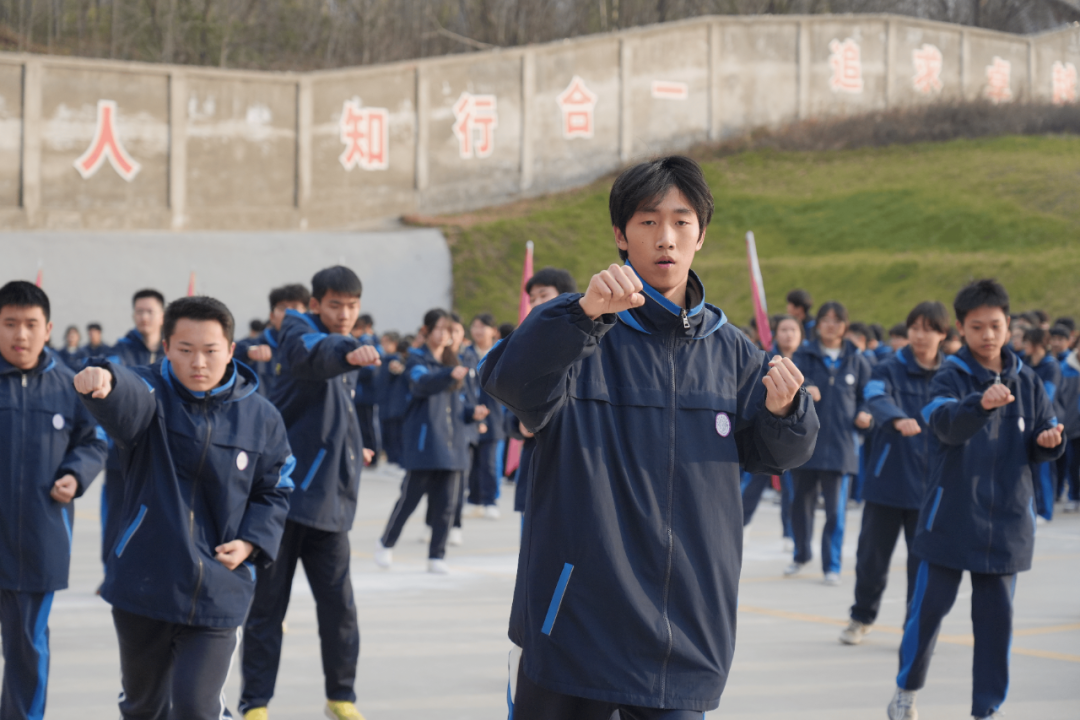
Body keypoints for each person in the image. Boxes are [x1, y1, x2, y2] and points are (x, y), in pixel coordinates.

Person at [482, 156, 818, 718]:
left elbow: (776, 455)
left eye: (682, 222)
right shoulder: (584, 328)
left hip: (682, 631)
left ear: (701, 235)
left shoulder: (732, 351)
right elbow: (510, 381)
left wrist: (787, 410)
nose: (666, 238)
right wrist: (580, 314)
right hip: (574, 625)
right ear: (620, 234)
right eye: (648, 222)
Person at [75, 296, 294, 720]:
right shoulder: (152, 393)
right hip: (145, 582)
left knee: (195, 707)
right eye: (185, 350)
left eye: (211, 350)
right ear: (168, 348)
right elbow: (127, 394)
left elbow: (277, 486)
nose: (198, 362)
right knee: (143, 707)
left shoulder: (260, 417)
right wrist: (104, 382)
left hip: (218, 587)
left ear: (230, 350)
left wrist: (251, 541)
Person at [888, 280, 1065, 720]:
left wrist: (1049, 441)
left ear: (1010, 325)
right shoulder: (949, 376)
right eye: (977, 327)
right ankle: (906, 690)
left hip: (1006, 523)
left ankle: (987, 708)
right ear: (961, 331)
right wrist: (979, 406)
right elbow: (943, 424)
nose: (988, 335)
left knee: (995, 625)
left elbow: (1047, 432)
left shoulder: (1029, 382)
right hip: (949, 518)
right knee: (926, 614)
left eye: (996, 325)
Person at [240, 267, 380, 720]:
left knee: (339, 611)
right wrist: (350, 349)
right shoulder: (299, 329)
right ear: (315, 304)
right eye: (335, 305)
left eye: (352, 306)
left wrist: (355, 448)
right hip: (282, 502)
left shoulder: (348, 353)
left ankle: (341, 696)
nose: (344, 314)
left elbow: (332, 409)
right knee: (267, 609)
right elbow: (314, 354)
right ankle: (255, 702)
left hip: (330, 505)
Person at [0, 281, 107, 720]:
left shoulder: (69, 385)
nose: (19, 335)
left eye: (29, 325)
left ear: (48, 329)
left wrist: (74, 474)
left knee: (27, 647)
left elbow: (95, 440)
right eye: (9, 324)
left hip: (37, 538)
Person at [839, 301, 948, 646]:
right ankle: (861, 617)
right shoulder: (887, 368)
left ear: (943, 334)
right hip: (887, 482)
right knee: (872, 559)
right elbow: (874, 396)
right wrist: (896, 418)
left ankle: (913, 629)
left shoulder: (951, 375)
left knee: (923, 566)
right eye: (914, 327)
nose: (920, 335)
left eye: (929, 329)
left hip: (931, 487)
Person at [375, 309, 484, 573]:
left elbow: (457, 405)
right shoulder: (416, 361)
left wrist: (473, 413)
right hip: (425, 444)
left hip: (453, 444)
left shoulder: (452, 363)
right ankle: (386, 544)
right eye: (440, 329)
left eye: (449, 330)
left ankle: (437, 555)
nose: (445, 335)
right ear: (426, 331)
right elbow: (422, 384)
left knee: (447, 503)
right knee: (409, 499)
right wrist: (450, 375)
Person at [787, 301, 872, 585]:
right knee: (801, 504)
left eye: (837, 320)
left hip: (841, 446)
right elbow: (790, 386)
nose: (831, 325)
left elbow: (867, 396)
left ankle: (831, 565)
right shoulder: (804, 355)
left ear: (845, 325)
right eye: (826, 319)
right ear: (818, 324)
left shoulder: (857, 360)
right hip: (806, 445)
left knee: (836, 511)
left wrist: (866, 413)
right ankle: (801, 554)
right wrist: (803, 390)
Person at [99, 289, 166, 576]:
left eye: (150, 311)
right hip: (121, 456)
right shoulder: (120, 354)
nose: (144, 317)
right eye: (139, 311)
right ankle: (113, 573)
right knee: (116, 516)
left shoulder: (173, 354)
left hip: (162, 454)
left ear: (162, 315)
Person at [508, 268, 579, 519]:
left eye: (543, 295)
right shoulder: (524, 344)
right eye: (532, 299)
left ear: (566, 296)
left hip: (576, 455)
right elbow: (509, 397)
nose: (536, 303)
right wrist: (519, 422)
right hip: (538, 455)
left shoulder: (590, 341)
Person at [741, 314, 803, 547]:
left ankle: (789, 533)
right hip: (766, 432)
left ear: (800, 335)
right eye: (784, 330)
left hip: (795, 436)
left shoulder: (808, 360)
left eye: (793, 330)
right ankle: (743, 524)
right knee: (754, 483)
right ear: (776, 334)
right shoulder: (765, 358)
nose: (788, 334)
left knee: (792, 490)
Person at [235, 284, 311, 399]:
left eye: (295, 307)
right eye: (283, 308)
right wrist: (247, 353)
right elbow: (230, 356)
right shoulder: (255, 347)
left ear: (307, 314)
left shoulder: (316, 348)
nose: (289, 314)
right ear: (272, 316)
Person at [463, 313, 505, 518]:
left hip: (494, 414)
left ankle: (490, 500)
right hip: (471, 414)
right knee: (472, 461)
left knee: (489, 462)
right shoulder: (466, 353)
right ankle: (473, 499)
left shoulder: (501, 352)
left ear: (493, 331)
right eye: (475, 326)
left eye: (483, 327)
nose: (478, 331)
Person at [1021, 327, 1063, 521]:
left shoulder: (1051, 366)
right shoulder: (1026, 364)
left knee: (1045, 468)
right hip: (1028, 421)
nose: (1023, 346)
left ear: (1038, 344)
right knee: (1033, 470)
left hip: (1047, 420)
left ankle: (1046, 511)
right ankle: (1036, 507)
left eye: (1027, 342)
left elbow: (1047, 395)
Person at [351, 314, 382, 466]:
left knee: (369, 427)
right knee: (363, 427)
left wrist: (353, 366)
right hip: (361, 395)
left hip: (368, 394)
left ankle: (374, 456)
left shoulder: (368, 341)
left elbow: (370, 368)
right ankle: (367, 456)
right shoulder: (369, 341)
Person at [375, 332, 406, 465]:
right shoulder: (384, 359)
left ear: (394, 344)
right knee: (386, 434)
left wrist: (397, 369)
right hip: (384, 402)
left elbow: (398, 371)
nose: (383, 346)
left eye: (386, 342)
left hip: (394, 405)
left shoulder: (396, 359)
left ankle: (397, 460)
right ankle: (391, 459)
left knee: (395, 435)